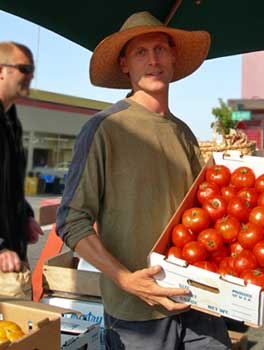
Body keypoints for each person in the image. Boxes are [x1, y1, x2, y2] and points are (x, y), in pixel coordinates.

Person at [56, 11, 233, 350]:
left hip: (198, 302)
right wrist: (125, 279)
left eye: (160, 49)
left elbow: (210, 209)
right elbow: (71, 221)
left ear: (173, 57)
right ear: (125, 64)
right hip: (137, 316)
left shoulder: (184, 133)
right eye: (141, 52)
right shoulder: (105, 128)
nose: (153, 60)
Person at [0, 42, 44, 273]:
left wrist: (24, 216)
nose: (31, 76)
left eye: (32, 70)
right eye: (25, 69)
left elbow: (9, 187)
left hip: (12, 259)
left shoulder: (12, 122)